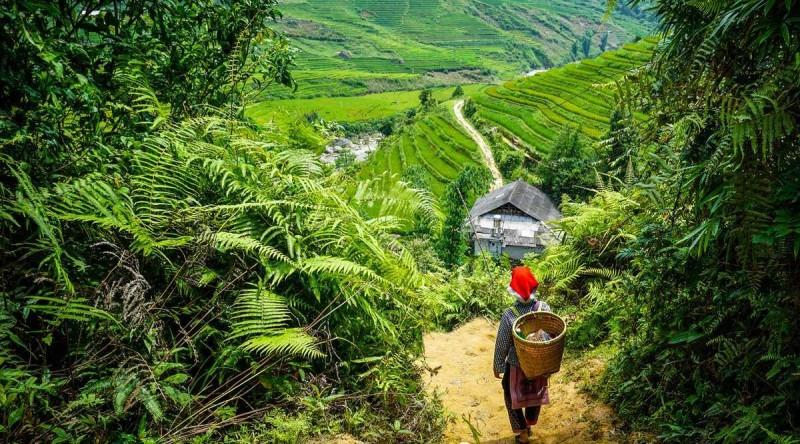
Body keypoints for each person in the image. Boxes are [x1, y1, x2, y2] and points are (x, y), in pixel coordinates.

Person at [493, 266, 551, 444]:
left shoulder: (510, 314)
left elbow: (503, 343)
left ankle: (521, 432)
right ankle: (530, 424)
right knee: (535, 392)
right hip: (539, 364)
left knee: (510, 392)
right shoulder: (544, 307)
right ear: (533, 286)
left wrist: (498, 366)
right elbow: (552, 335)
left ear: (514, 290)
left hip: (516, 364)